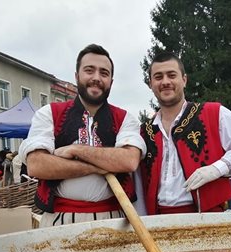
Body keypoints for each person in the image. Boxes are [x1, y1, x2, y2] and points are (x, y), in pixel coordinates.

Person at [19, 44, 146, 227]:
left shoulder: (125, 118)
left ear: (111, 80)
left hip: (114, 220)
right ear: (77, 76)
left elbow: (128, 161)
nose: (96, 78)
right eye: (89, 70)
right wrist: (99, 166)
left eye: (104, 73)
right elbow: (37, 165)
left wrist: (76, 149)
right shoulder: (49, 113)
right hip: (59, 220)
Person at [139, 52, 231, 215]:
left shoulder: (213, 113)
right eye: (158, 77)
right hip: (158, 220)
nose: (165, 82)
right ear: (150, 84)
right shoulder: (145, 131)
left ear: (184, 80)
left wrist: (218, 168)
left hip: (207, 217)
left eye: (171, 75)